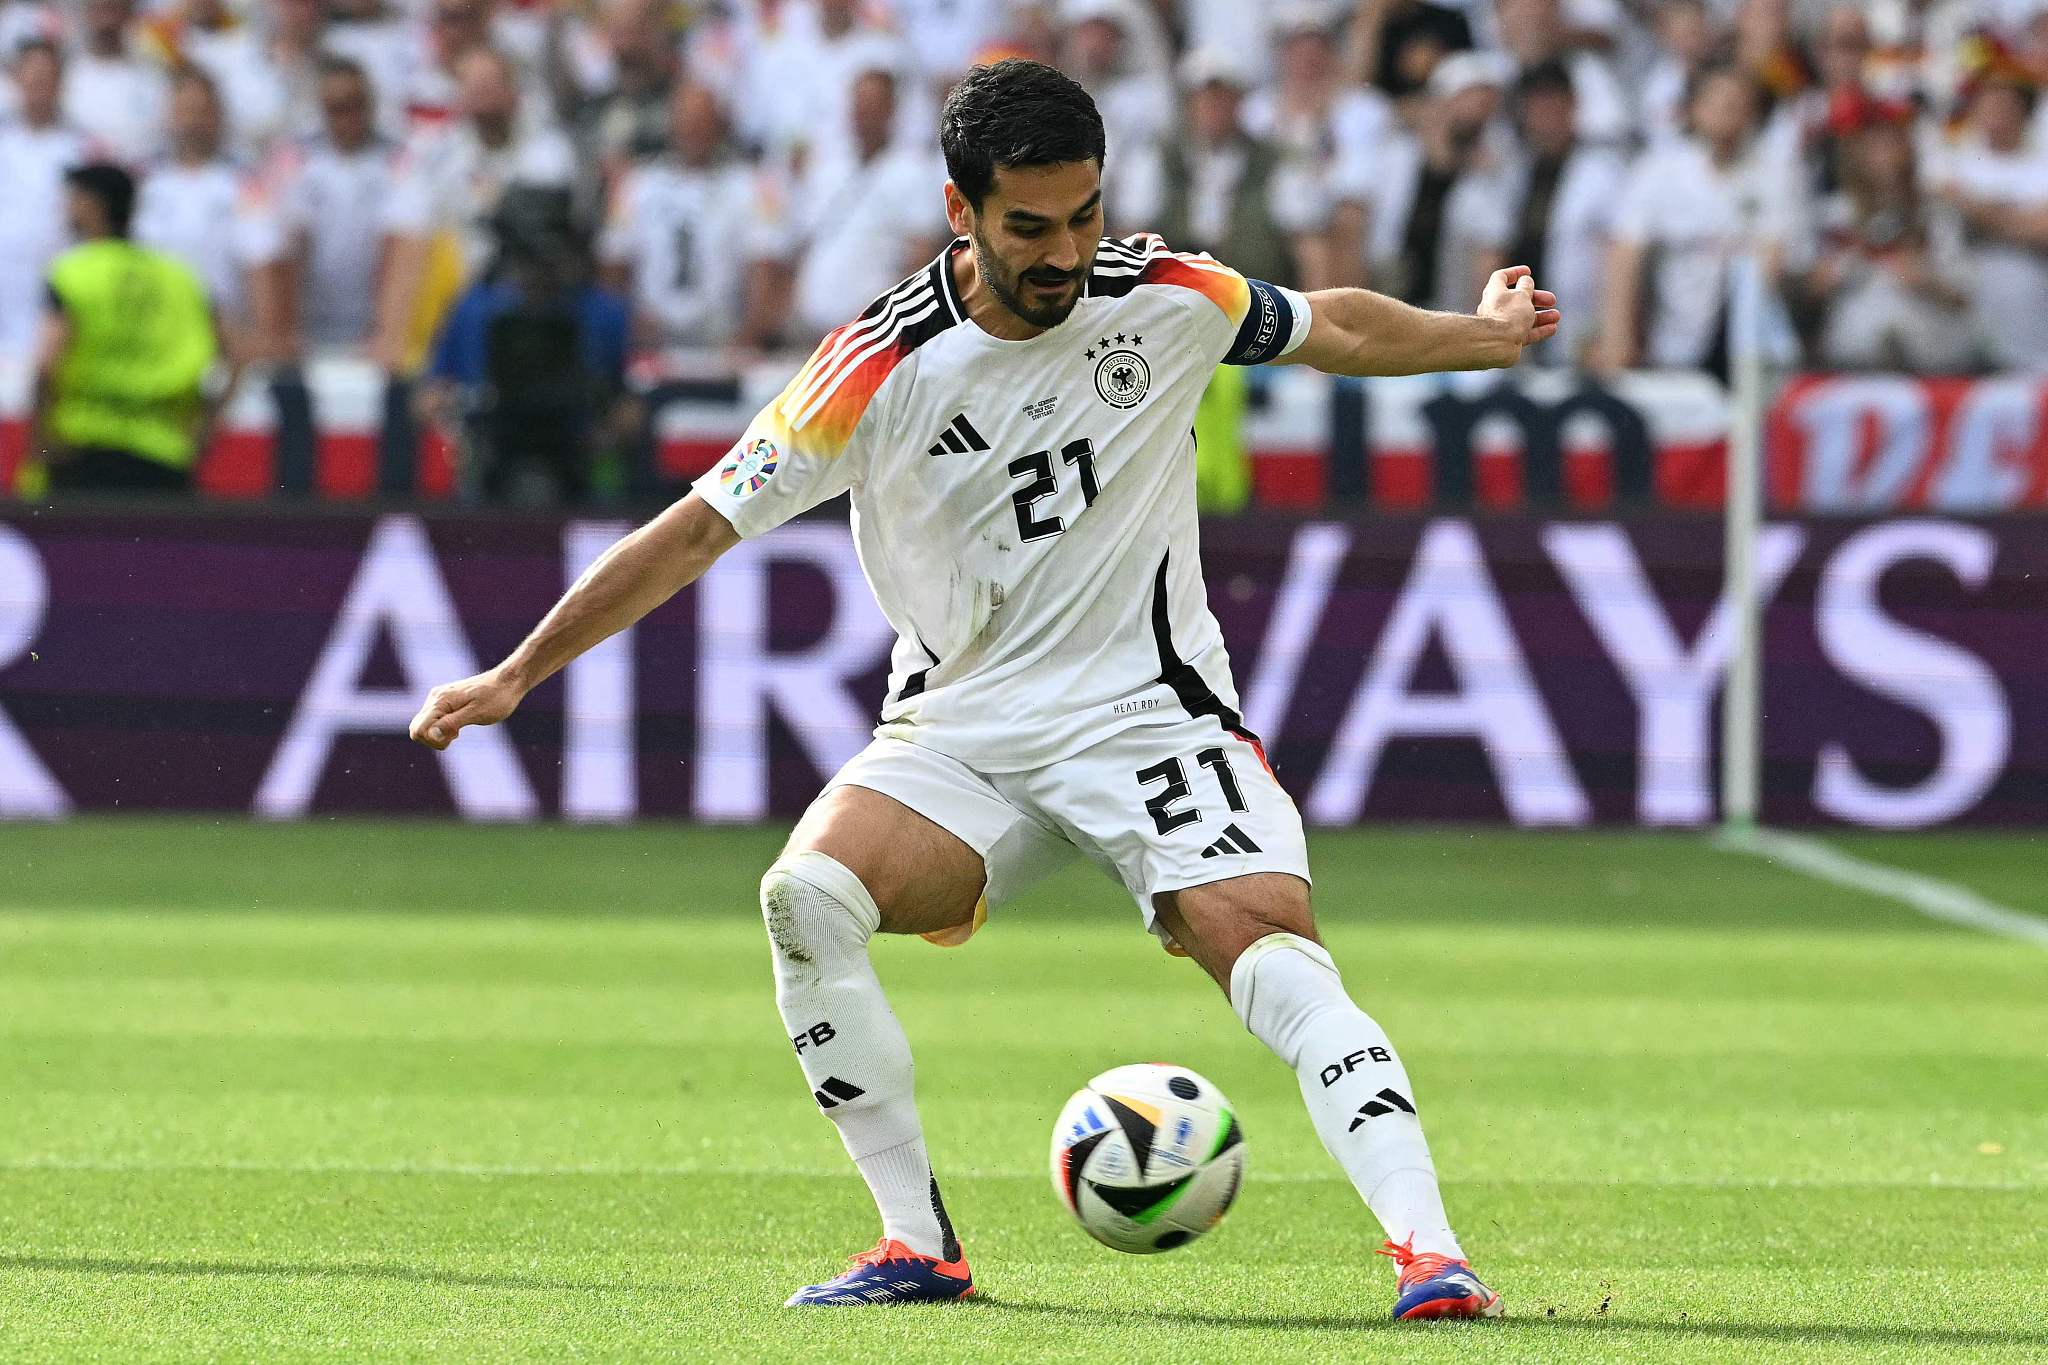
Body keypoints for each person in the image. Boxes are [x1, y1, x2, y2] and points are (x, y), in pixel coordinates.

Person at [408, 58, 1557, 1319]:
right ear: (961, 213)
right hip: (959, 731)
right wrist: (520, 669)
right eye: (1030, 227)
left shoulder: (1164, 291)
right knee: (806, 899)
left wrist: (1482, 337)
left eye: (1084, 215)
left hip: (1147, 714)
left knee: (1268, 951)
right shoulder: (871, 368)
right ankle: (917, 1247)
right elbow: (692, 531)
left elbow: (1331, 324)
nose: (1067, 252)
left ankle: (1430, 1256)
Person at [33, 162, 217, 493]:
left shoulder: (73, 272)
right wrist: (205, 428)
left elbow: (47, 365)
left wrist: (42, 442)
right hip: (164, 450)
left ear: (94, 205)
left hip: (83, 446)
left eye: (73, 198)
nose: (65, 207)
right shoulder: (178, 276)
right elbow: (237, 353)